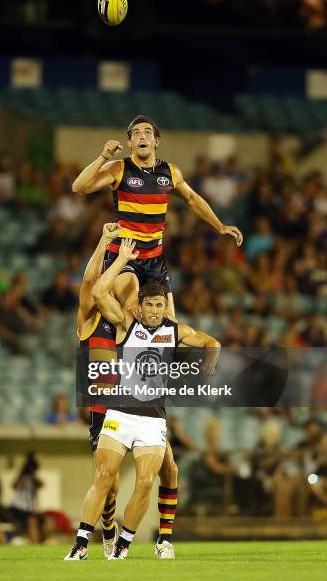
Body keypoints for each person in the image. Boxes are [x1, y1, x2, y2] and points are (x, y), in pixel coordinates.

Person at [64, 239, 220, 561]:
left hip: (151, 416)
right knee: (107, 480)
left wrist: (210, 361)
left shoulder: (171, 327)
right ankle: (93, 539)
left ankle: (146, 542)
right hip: (115, 409)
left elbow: (209, 341)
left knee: (158, 476)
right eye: (148, 304)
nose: (152, 309)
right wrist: (119, 257)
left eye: (158, 305)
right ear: (138, 305)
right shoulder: (118, 321)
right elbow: (95, 290)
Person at [72, 114, 243, 315]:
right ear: (129, 142)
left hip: (154, 257)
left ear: (156, 141)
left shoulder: (170, 172)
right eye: (136, 134)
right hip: (124, 253)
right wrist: (103, 157)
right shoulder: (118, 168)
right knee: (131, 310)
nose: (142, 137)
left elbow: (192, 199)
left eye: (147, 133)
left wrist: (220, 226)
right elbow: (79, 187)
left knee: (169, 323)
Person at [10, 452, 44, 544]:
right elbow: (14, 486)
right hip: (18, 506)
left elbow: (41, 484)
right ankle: (34, 543)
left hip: (29, 508)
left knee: (32, 524)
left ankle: (34, 543)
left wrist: (32, 474)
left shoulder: (34, 477)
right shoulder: (22, 476)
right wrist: (22, 472)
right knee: (27, 525)